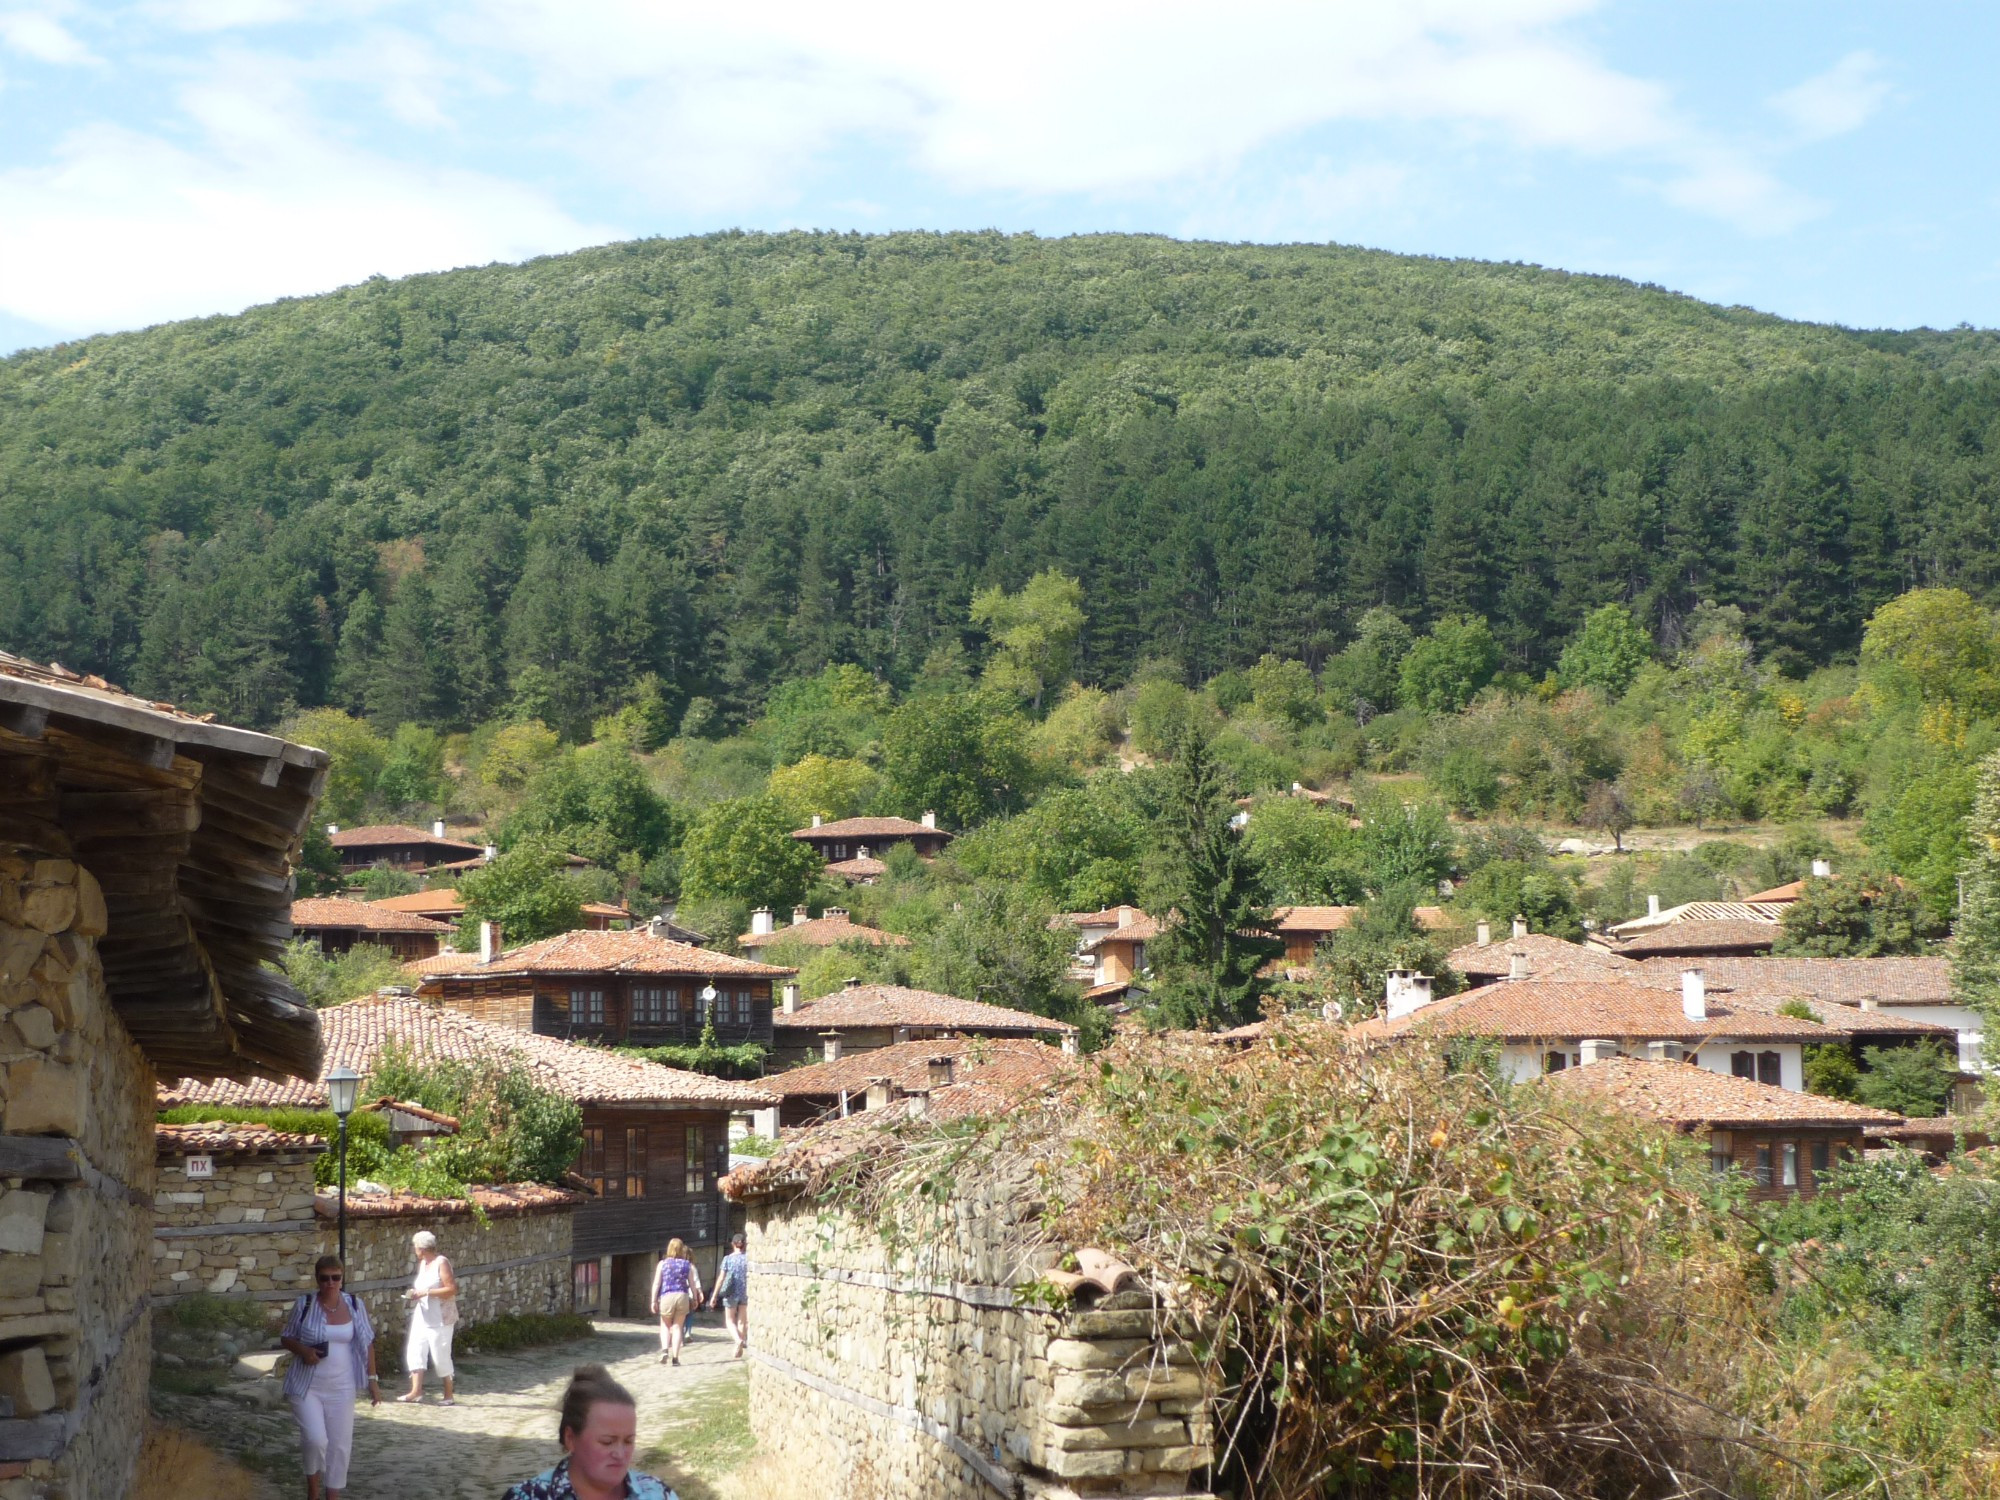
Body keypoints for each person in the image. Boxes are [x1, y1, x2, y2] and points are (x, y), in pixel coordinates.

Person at [279, 1254, 380, 1500]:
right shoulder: (304, 1304)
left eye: (336, 1277)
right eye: (325, 1278)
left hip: (342, 1386)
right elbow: (287, 1337)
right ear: (317, 1279)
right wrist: (304, 1351)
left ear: (342, 1278)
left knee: (339, 1445)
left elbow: (367, 1343)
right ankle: (313, 1487)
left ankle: (332, 1494)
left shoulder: (355, 1305)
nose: (331, 1283)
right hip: (306, 1385)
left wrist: (373, 1381)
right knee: (315, 1439)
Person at [502, 1364, 678, 1500]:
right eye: (607, 1442)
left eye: (628, 1441)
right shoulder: (529, 1496)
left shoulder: (658, 1494)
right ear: (570, 1438)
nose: (620, 1454)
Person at [398, 1229, 458, 1405]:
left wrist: (427, 1292)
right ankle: (416, 1391)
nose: (415, 1250)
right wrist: (415, 1295)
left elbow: (451, 1289)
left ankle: (448, 1394)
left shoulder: (441, 1262)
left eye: (416, 1247)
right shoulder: (423, 1264)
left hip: (440, 1318)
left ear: (422, 1248)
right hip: (422, 1315)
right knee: (415, 1350)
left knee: (440, 1355)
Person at [649, 1238, 702, 1366]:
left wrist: (653, 1300)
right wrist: (695, 1298)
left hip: (667, 1295)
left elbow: (656, 1283)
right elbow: (692, 1284)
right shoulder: (686, 1265)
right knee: (678, 1327)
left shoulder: (662, 1264)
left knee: (665, 1325)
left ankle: (665, 1349)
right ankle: (676, 1358)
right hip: (682, 1296)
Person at [708, 1233, 749, 1358]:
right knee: (742, 1321)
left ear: (733, 1244)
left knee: (729, 1320)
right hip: (745, 1292)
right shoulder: (748, 1259)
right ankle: (739, 1347)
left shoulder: (728, 1259)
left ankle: (738, 1341)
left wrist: (714, 1295)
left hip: (730, 1292)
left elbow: (721, 1278)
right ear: (745, 1244)